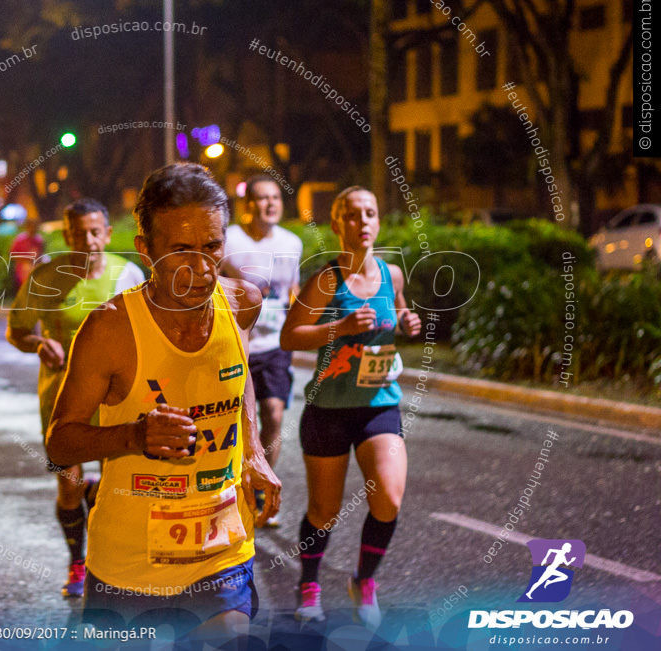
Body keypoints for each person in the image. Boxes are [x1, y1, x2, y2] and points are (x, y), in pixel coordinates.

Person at [45, 163, 280, 644]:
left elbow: (239, 379)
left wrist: (253, 450)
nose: (200, 267)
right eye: (180, 250)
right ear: (145, 249)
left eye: (212, 247)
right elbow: (59, 445)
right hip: (129, 569)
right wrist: (133, 435)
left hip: (223, 553)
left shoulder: (242, 303)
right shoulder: (109, 330)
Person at [279, 186, 421, 628]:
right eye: (352, 215)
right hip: (329, 409)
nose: (362, 222)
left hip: (379, 403)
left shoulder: (391, 274)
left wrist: (406, 321)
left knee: (389, 498)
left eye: (370, 214)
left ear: (378, 222)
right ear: (337, 224)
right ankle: (310, 583)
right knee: (324, 511)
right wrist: (337, 327)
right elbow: (290, 336)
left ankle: (364, 580)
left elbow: (395, 313)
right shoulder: (326, 280)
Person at [6, 198, 145, 599]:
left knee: (115, 489)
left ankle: (112, 565)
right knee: (68, 486)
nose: (88, 240)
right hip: (61, 399)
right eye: (78, 233)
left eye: (95, 231)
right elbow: (16, 331)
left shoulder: (129, 275)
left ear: (107, 233)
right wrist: (37, 344)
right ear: (66, 235)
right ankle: (77, 563)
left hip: (115, 400)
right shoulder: (46, 277)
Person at [220, 175, 302, 527]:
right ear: (248, 205)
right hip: (235, 343)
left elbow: (293, 289)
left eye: (275, 198)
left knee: (273, 415)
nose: (270, 204)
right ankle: (233, 489)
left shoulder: (292, 242)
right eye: (262, 198)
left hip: (274, 344)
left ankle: (258, 487)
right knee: (233, 422)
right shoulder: (229, 240)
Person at [9, 218, 45, 292]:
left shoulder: (39, 240)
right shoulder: (20, 239)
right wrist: (25, 260)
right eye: (31, 226)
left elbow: (41, 254)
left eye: (35, 227)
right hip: (22, 270)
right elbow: (12, 254)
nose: (33, 229)